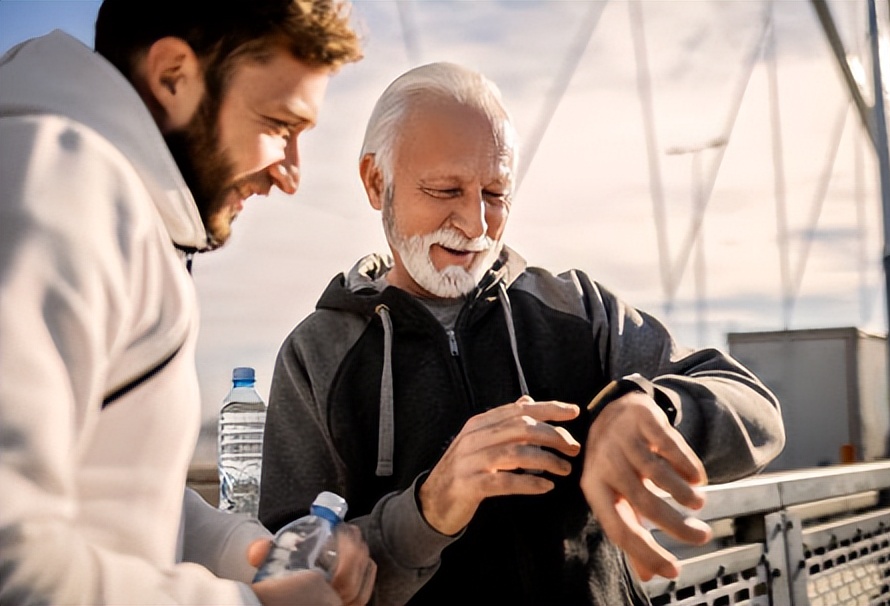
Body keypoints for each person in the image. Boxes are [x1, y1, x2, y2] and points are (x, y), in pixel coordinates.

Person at [257, 61, 786, 606]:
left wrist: (655, 408)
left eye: (495, 192)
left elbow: (758, 410)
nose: (476, 224)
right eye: (445, 189)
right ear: (376, 181)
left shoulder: (578, 309)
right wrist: (429, 510)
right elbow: (287, 565)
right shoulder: (316, 354)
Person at [0, 1, 377, 604]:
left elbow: (105, 482)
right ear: (173, 75)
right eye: (280, 125)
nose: (292, 175)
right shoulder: (52, 186)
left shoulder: (111, 201)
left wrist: (243, 553)